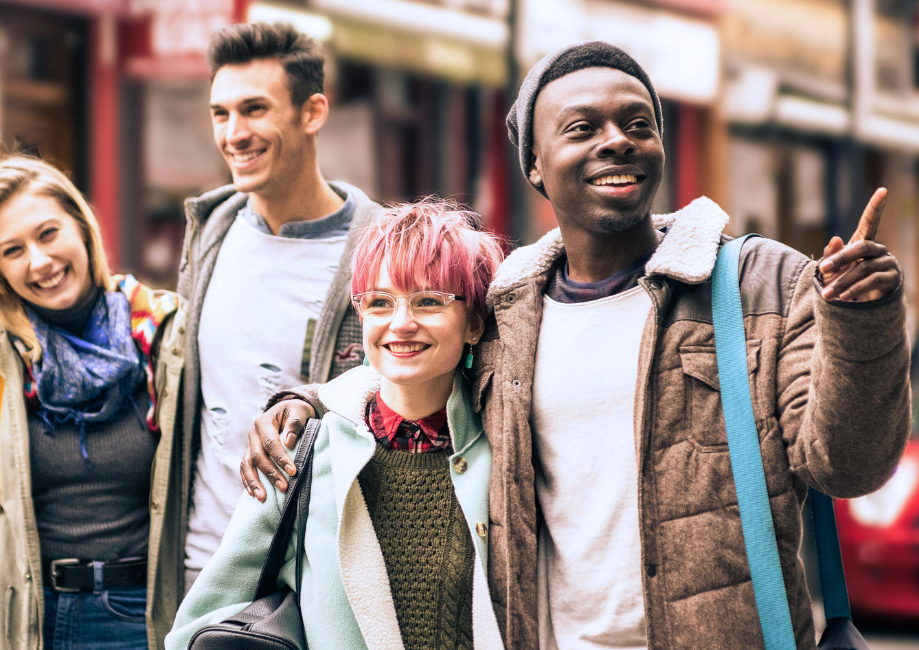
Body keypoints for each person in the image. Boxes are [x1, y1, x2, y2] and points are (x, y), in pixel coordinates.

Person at [244, 42, 911, 650]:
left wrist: (861, 323)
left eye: (637, 124)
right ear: (535, 164)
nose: (616, 141)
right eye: (582, 128)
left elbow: (848, 468)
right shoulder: (508, 309)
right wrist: (304, 405)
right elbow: (413, 369)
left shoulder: (757, 281)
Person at [166, 200, 506, 650]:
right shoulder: (302, 454)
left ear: (475, 324)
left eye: (429, 301)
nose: (401, 324)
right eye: (379, 302)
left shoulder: (506, 445)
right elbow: (200, 624)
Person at [0, 156, 188, 650]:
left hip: (154, 621)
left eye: (48, 234)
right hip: (34, 623)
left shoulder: (165, 338)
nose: (39, 261)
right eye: (13, 250)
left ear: (82, 229)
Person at [176, 21, 384, 592]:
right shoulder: (209, 232)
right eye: (221, 114)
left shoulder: (379, 249)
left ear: (312, 112)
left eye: (254, 110)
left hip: (316, 571)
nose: (234, 134)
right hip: (204, 567)